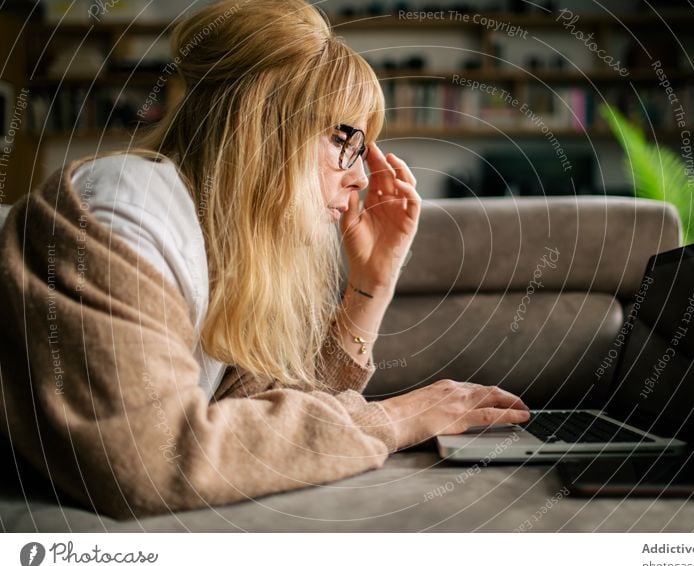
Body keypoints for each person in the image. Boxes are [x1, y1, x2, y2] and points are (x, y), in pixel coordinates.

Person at [0, 0, 529, 519]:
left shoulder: (217, 243)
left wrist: (372, 281)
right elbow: (148, 461)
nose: (363, 177)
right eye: (342, 139)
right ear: (261, 126)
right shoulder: (123, 208)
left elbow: (266, 426)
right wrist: (391, 419)